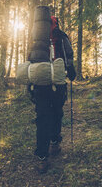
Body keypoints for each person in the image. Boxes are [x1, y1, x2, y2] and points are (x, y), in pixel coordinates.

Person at [28, 16, 76, 174]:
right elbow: (68, 54)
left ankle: (42, 157)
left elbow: (30, 60)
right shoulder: (61, 36)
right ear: (56, 23)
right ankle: (54, 142)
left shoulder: (36, 39)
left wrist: (30, 84)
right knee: (56, 112)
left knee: (42, 118)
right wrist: (71, 70)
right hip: (58, 82)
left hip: (40, 83)